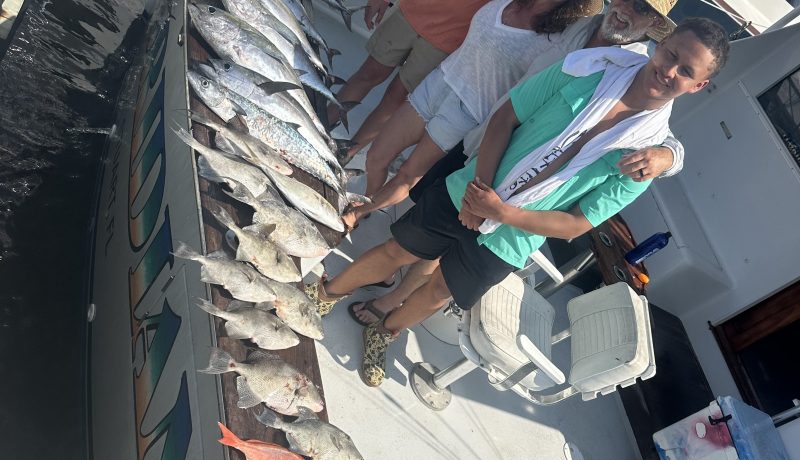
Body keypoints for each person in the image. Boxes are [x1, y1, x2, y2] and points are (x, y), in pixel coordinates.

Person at [307, 17, 730, 388]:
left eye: (686, 70)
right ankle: (326, 293)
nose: (669, 70)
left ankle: (385, 330)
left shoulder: (646, 158)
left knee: (439, 290)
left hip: (512, 239)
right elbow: (506, 116)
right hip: (470, 188)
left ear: (699, 86)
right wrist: (482, 191)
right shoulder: (588, 70)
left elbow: (576, 224)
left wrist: (502, 213)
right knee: (397, 250)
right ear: (661, 43)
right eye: (671, 53)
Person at [348, 0, 683, 327]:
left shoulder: (638, 67)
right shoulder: (576, 24)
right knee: (428, 222)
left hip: (515, 182)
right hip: (482, 139)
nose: (627, 9)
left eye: (643, 9)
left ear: (655, 26)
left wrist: (668, 157)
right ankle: (389, 275)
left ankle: (392, 300)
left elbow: (661, 132)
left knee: (442, 250)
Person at [346, 0, 603, 216]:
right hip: (440, 81)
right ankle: (367, 199)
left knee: (406, 174)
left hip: (468, 112)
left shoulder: (561, 38)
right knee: (376, 156)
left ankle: (357, 213)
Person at [328, 0, 491, 162]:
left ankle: (345, 154)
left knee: (396, 98)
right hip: (409, 13)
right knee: (367, 75)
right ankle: (320, 126)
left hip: (450, 40)